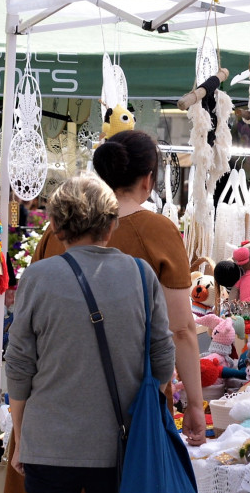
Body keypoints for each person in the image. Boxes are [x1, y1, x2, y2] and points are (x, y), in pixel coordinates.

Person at [6, 176, 175, 493]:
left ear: (56, 226)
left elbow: (19, 369)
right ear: (110, 223)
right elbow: (162, 362)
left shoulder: (38, 277)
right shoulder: (142, 276)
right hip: (117, 445)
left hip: (48, 443)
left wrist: (20, 436)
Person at [33, 130, 207, 445]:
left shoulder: (56, 230)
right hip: (128, 410)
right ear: (148, 179)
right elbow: (180, 329)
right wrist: (195, 405)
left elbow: (29, 321)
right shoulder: (157, 230)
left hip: (52, 404)